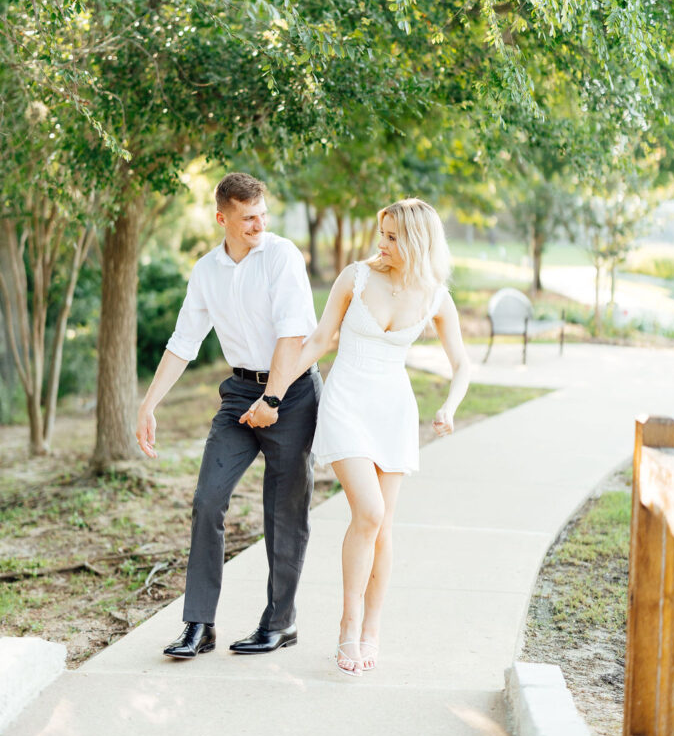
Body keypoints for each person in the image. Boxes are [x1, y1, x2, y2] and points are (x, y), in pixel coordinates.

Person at [240, 198, 470, 676]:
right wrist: (272, 395)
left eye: (391, 237)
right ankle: (347, 623)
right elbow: (319, 341)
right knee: (369, 511)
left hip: (393, 410)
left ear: (415, 242)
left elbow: (462, 363)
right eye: (380, 234)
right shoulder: (355, 278)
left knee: (383, 528)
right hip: (347, 402)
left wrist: (449, 405)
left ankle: (371, 630)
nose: (380, 245)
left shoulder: (435, 296)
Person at [136, 172, 322, 659]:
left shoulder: (281, 256)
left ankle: (280, 622)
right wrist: (148, 403)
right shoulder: (206, 271)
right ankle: (199, 625)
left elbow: (291, 335)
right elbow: (183, 342)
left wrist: (274, 401)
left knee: (283, 514)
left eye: (263, 215)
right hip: (240, 394)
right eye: (248, 219)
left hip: (293, 394)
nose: (259, 224)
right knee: (207, 500)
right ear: (222, 218)